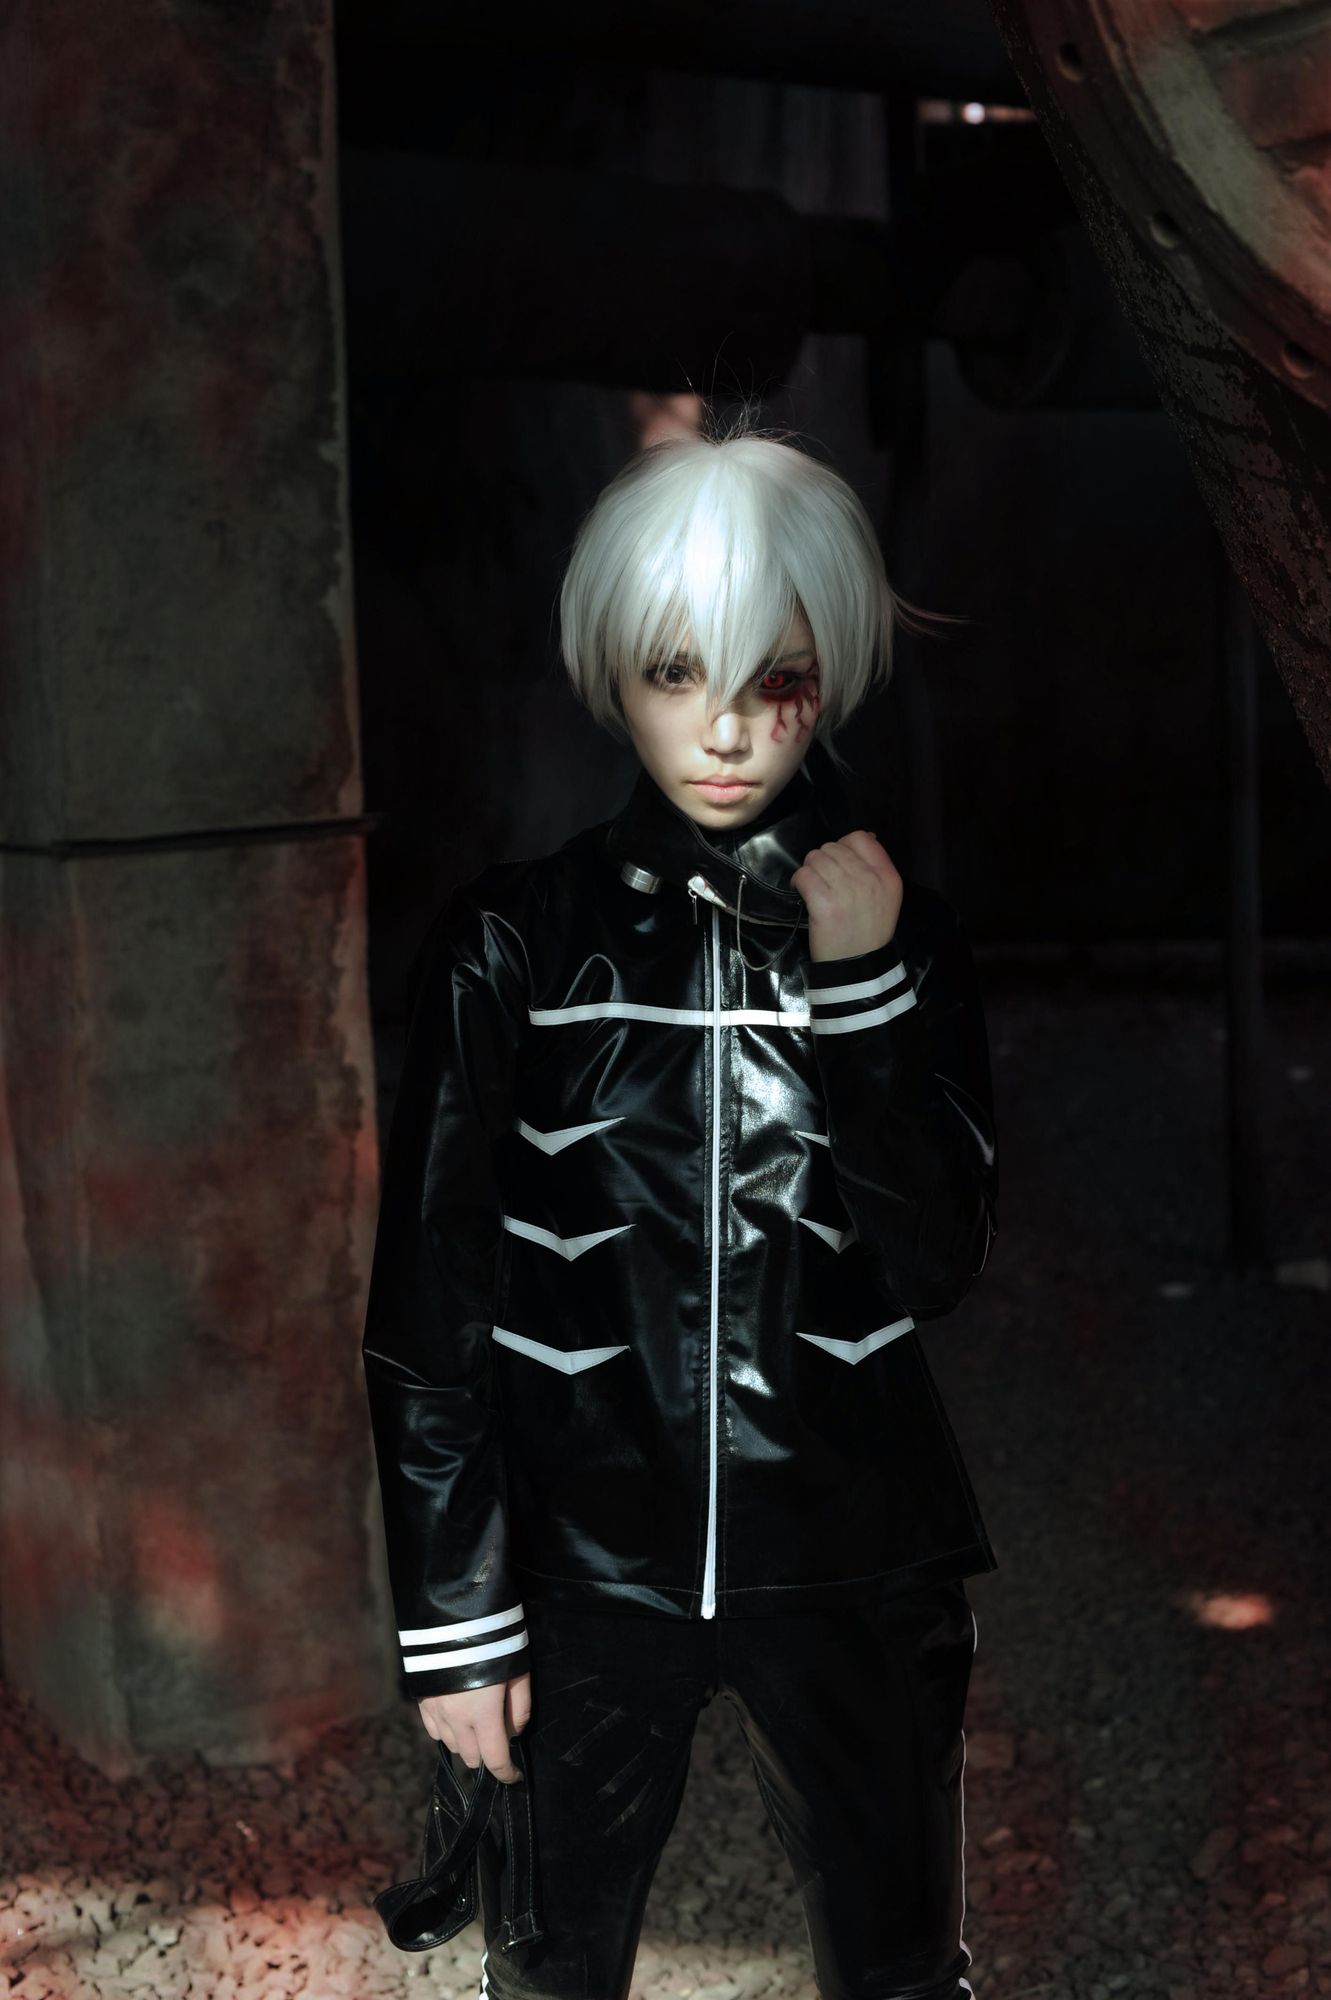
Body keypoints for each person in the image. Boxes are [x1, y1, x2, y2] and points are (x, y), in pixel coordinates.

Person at [361, 409, 1000, 2000]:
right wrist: (458, 1618)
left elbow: (937, 1262)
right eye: (673, 671)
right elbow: (431, 1311)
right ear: (615, 672)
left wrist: (861, 994)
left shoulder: (900, 936)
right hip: (582, 1567)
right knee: (549, 1974)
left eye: (774, 679)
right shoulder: (513, 946)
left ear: (827, 679)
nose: (724, 730)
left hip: (853, 1557)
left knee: (902, 1974)